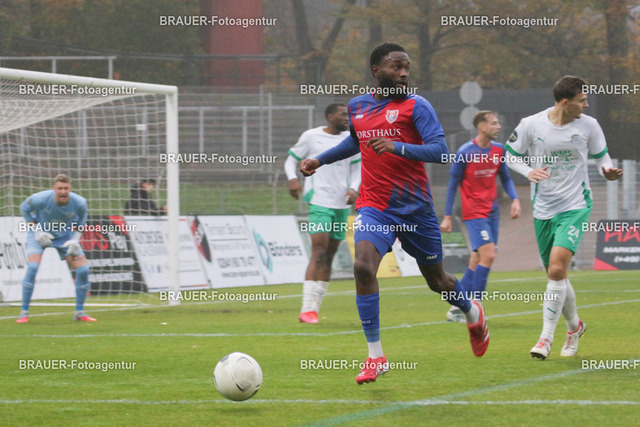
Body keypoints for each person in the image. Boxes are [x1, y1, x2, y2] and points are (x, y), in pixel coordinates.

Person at [300, 42, 489, 384]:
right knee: (362, 266)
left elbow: (439, 151)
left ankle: (471, 309)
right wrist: (320, 159)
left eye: (406, 67)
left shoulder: (417, 106)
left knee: (438, 282)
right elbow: (356, 141)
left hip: (416, 210)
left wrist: (397, 146)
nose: (403, 73)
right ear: (377, 71)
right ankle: (376, 356)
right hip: (375, 206)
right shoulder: (357, 106)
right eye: (396, 66)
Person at [505, 75, 623, 359]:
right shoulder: (531, 124)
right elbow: (509, 154)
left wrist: (607, 170)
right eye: (582, 100)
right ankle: (575, 327)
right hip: (543, 207)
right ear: (565, 102)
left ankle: (545, 338)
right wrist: (529, 172)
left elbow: (602, 156)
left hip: (575, 204)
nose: (586, 104)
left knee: (557, 269)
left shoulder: (589, 125)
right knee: (555, 274)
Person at [440, 111, 521, 322]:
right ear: (481, 127)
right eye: (494, 123)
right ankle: (476, 306)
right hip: (473, 212)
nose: (498, 127)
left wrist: (515, 199)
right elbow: (452, 185)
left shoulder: (499, 150)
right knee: (489, 255)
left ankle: (456, 306)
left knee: (477, 259)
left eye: (498, 123)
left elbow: (505, 177)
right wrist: (447, 216)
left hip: (492, 212)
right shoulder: (465, 152)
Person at [284, 103, 361, 324]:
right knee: (318, 251)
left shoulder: (351, 139)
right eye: (342, 115)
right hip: (319, 202)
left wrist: (354, 188)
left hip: (341, 205)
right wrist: (292, 179)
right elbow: (291, 160)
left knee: (329, 255)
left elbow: (358, 168)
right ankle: (306, 308)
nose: (347, 119)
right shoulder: (311, 136)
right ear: (329, 116)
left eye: (348, 115)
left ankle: (314, 309)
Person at [17, 174, 96, 323]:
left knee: (83, 270)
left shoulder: (80, 202)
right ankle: (23, 313)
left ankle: (79, 312)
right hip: (40, 235)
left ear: (70, 189)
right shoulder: (40, 198)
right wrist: (37, 231)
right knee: (33, 267)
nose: (63, 191)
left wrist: (75, 240)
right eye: (60, 188)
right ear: (54, 188)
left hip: (65, 237)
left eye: (66, 188)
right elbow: (23, 208)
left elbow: (81, 222)